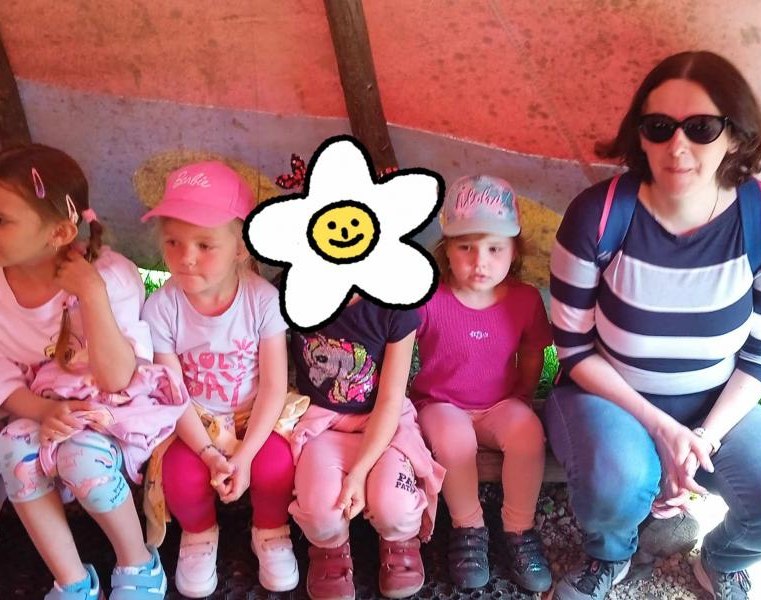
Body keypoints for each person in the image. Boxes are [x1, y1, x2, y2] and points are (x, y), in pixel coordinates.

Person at [546, 50, 761, 600]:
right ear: (639, 136)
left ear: (736, 136)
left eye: (701, 128)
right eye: (658, 127)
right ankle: (609, 555)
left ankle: (722, 558)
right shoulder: (597, 215)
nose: (676, 146)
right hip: (608, 396)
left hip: (714, 403)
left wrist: (702, 437)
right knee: (617, 480)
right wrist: (661, 429)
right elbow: (573, 349)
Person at [0, 144, 169, 599]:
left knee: (83, 455)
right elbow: (3, 376)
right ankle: (73, 582)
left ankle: (139, 564)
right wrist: (42, 412)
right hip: (41, 408)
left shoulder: (109, 279)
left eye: (2, 219)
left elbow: (118, 379)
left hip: (113, 410)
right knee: (13, 451)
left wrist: (91, 296)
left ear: (59, 232)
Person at [140, 160, 301, 597]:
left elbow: (273, 387)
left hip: (255, 414)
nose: (186, 256)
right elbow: (173, 394)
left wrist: (244, 456)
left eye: (205, 244)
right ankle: (198, 534)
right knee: (180, 473)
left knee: (275, 464)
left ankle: (270, 529)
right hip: (196, 418)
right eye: (173, 242)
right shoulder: (162, 308)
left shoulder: (263, 300)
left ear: (240, 247)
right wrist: (210, 453)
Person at [410, 175, 553, 592]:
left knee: (528, 432)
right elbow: (398, 351)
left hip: (498, 403)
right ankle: (469, 527)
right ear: (446, 250)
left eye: (495, 248)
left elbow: (534, 350)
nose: (480, 262)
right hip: (441, 403)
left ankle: (519, 528)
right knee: (455, 442)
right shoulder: (430, 299)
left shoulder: (524, 299)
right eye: (465, 248)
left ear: (515, 250)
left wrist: (523, 395)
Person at [288, 293, 445, 600]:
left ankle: (400, 538)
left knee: (394, 506)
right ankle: (330, 546)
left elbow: (390, 400)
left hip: (384, 423)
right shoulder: (294, 293)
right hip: (324, 423)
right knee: (321, 513)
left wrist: (359, 473)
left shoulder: (395, 306)